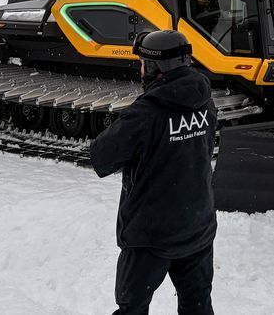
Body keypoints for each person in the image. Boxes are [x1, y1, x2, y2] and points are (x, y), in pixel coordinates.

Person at [90, 30, 218, 315]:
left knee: (132, 308)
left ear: (154, 68)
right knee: (197, 305)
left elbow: (102, 156)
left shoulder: (145, 114)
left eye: (142, 63)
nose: (140, 69)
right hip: (197, 226)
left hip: (150, 235)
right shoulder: (206, 103)